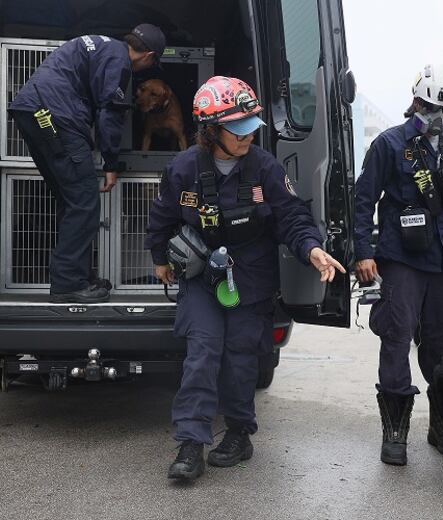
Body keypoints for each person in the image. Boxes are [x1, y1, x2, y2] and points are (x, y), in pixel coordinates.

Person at [145, 76, 346, 481]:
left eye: (251, 126)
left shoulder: (265, 168)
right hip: (201, 276)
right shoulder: (183, 168)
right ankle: (191, 443)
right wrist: (159, 257)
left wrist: (312, 248)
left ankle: (238, 433)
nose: (247, 136)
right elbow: (162, 217)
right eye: (237, 129)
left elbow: (293, 217)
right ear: (210, 130)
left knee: (240, 356)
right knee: (202, 352)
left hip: (249, 276)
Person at [353, 64, 443, 466]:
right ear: (416, 100)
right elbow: (363, 202)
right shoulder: (389, 145)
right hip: (401, 260)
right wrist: (364, 252)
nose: (437, 115)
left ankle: (442, 424)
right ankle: (395, 432)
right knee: (396, 341)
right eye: (430, 105)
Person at [9, 24, 166, 303]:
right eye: (153, 63)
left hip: (33, 111)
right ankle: (68, 285)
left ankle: (78, 275)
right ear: (149, 55)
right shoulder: (120, 62)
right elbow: (109, 114)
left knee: (72, 201)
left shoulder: (105, 45)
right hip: (55, 116)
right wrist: (110, 164)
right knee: (84, 201)